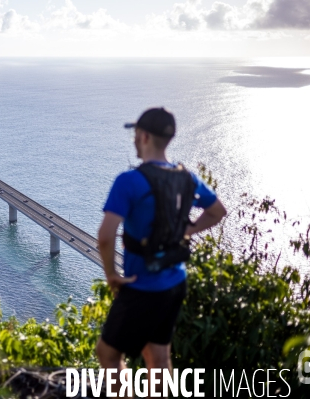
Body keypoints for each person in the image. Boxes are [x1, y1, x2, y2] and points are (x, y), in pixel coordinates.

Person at [95, 107, 227, 395]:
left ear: (143, 137)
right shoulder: (187, 178)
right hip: (175, 282)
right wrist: (188, 231)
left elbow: (105, 237)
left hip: (143, 287)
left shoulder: (128, 181)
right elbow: (217, 211)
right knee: (159, 357)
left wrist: (111, 275)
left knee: (107, 353)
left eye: (135, 135)